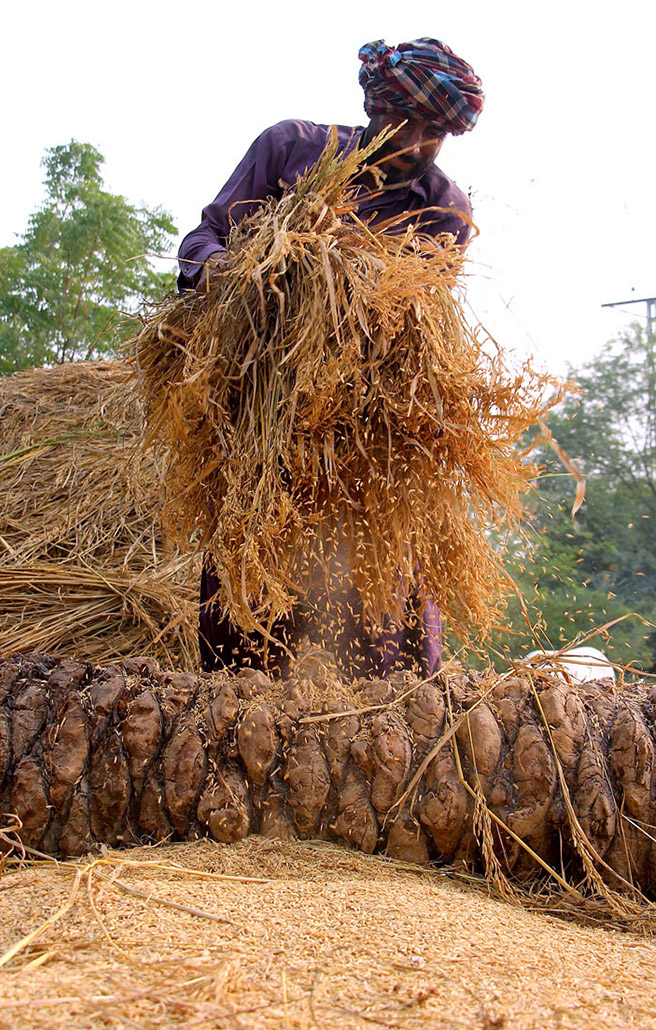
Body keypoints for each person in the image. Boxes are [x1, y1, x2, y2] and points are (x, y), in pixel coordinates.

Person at [176, 37, 485, 679]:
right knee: (245, 630)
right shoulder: (291, 149)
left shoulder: (443, 208)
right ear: (376, 107)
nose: (420, 143)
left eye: (437, 133)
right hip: (267, 425)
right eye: (410, 123)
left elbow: (413, 330)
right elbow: (204, 239)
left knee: (389, 645)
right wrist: (242, 277)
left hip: (367, 445)